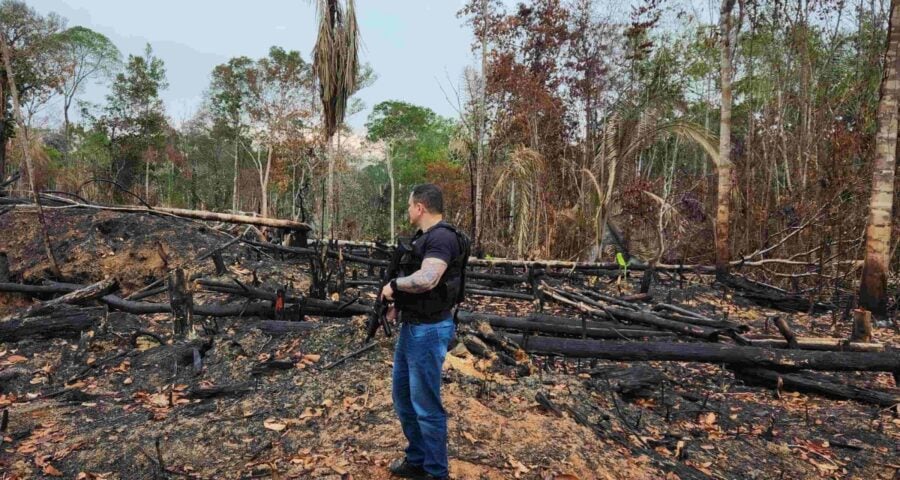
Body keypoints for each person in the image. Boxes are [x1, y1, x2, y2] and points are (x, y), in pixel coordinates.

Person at [381, 183, 469, 480]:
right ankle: (417, 459)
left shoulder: (442, 237)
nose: (408, 211)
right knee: (403, 398)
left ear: (420, 207)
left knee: (426, 405)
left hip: (429, 331)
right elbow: (419, 282)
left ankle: (435, 472)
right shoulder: (426, 238)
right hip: (413, 327)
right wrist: (398, 304)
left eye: (409, 206)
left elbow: (429, 278)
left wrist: (393, 287)